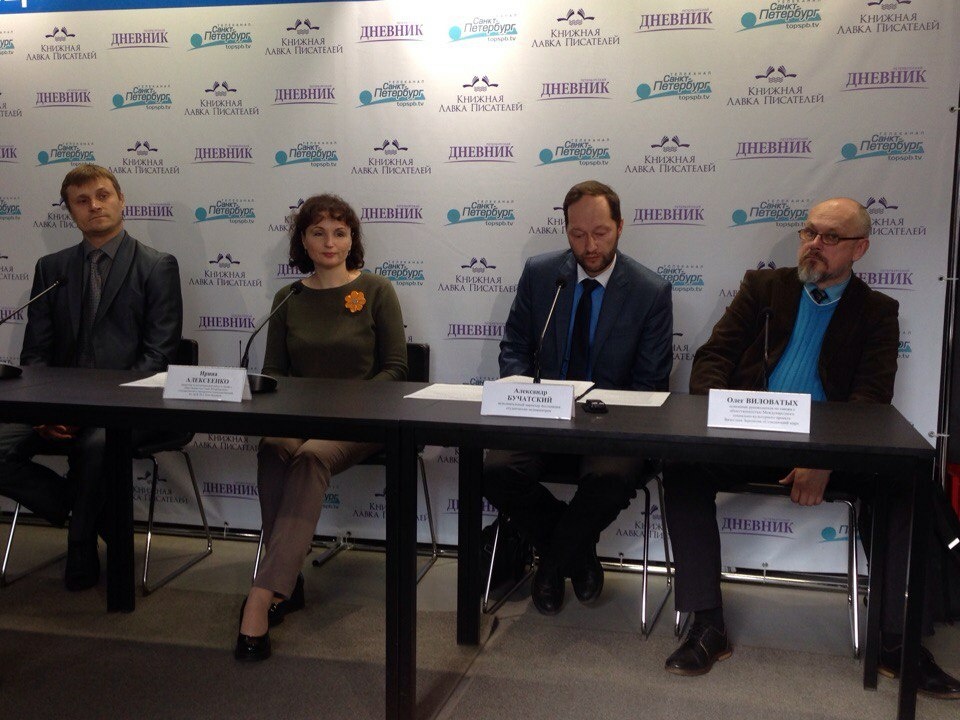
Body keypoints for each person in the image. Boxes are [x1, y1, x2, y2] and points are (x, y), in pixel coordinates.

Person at [663, 197, 960, 698]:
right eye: (809, 233)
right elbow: (713, 357)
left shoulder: (878, 312)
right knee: (682, 465)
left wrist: (823, 459)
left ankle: (894, 642)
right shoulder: (764, 288)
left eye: (830, 237)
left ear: (859, 248)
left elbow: (870, 401)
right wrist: (723, 417)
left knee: (903, 486)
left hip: (831, 448)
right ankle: (707, 625)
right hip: (749, 433)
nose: (814, 245)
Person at [483, 180, 673, 615]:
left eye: (600, 233)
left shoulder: (650, 291)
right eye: (578, 234)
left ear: (620, 226)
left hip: (611, 426)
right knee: (495, 471)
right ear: (566, 229)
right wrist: (520, 393)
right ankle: (578, 555)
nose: (589, 246)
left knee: (610, 478)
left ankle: (551, 566)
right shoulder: (541, 275)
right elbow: (514, 347)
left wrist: (602, 418)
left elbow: (650, 383)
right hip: (543, 416)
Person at [235, 193, 407, 662]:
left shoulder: (377, 290)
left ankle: (261, 595)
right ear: (304, 243)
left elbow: (396, 369)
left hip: (361, 420)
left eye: (340, 232)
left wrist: (351, 404)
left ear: (352, 240)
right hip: (299, 417)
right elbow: (274, 373)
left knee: (311, 457)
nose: (330, 242)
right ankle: (287, 580)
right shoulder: (287, 299)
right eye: (318, 232)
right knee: (274, 448)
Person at [0, 163, 183, 591]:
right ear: (70, 212)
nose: (94, 206)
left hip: (131, 408)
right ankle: (80, 509)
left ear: (121, 201)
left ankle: (80, 540)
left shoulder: (157, 266)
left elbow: (157, 358)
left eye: (103, 195)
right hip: (58, 407)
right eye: (82, 201)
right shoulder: (52, 268)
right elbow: (36, 353)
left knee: (97, 444)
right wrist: (42, 412)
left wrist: (93, 411)